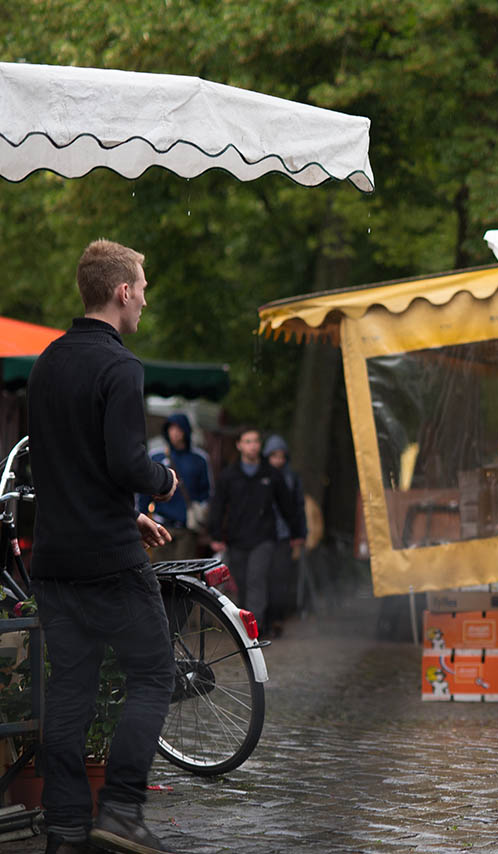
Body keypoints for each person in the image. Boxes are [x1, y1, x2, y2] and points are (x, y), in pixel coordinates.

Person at [27, 239, 184, 854]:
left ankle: (66, 828)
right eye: (141, 287)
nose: (144, 297)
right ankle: (120, 810)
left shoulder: (46, 363)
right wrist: (162, 483)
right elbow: (123, 462)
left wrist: (126, 515)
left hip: (56, 560)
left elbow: (64, 465)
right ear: (122, 292)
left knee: (70, 688)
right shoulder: (121, 367)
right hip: (109, 564)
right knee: (154, 672)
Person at [209, 428, 302, 624]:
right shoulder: (229, 475)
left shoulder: (271, 474)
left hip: (263, 538)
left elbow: (287, 506)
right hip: (237, 539)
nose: (252, 446)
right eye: (248, 441)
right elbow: (217, 506)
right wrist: (216, 536)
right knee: (242, 585)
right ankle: (246, 628)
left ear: (260, 445)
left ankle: (255, 630)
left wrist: (296, 532)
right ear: (239, 445)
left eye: (256, 441)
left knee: (256, 581)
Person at [140, 412, 212, 561]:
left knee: (183, 575)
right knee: (159, 574)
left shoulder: (199, 459)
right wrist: (141, 516)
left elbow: (206, 492)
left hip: (186, 527)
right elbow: (144, 491)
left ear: (186, 431)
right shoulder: (156, 456)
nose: (175, 433)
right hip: (160, 525)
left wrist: (200, 513)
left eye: (178, 429)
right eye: (171, 428)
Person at [263, 434, 306, 637]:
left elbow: (298, 507)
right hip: (263, 534)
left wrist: (299, 533)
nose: (278, 461)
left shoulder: (292, 478)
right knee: (262, 577)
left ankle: (277, 619)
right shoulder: (262, 477)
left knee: (280, 579)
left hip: (283, 535)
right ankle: (264, 619)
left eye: (281, 456)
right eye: (274, 456)